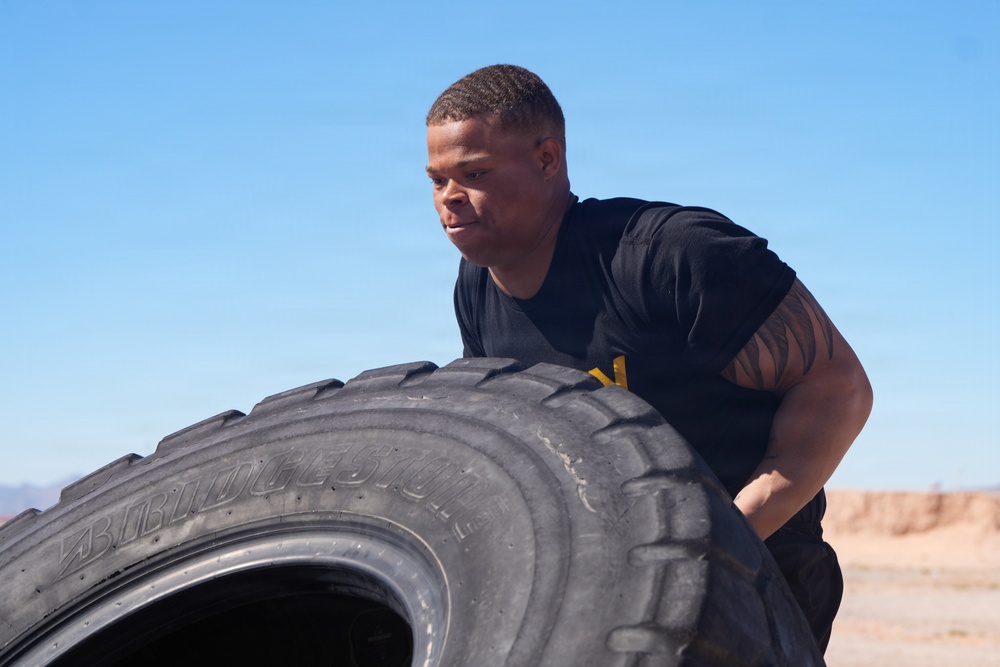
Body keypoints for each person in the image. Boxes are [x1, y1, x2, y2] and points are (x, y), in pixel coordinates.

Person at [424, 64, 873, 652]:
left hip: (753, 580)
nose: (450, 199)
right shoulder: (477, 287)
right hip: (600, 583)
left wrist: (720, 544)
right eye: (436, 181)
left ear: (547, 159)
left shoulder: (670, 255)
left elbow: (838, 388)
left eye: (474, 174)